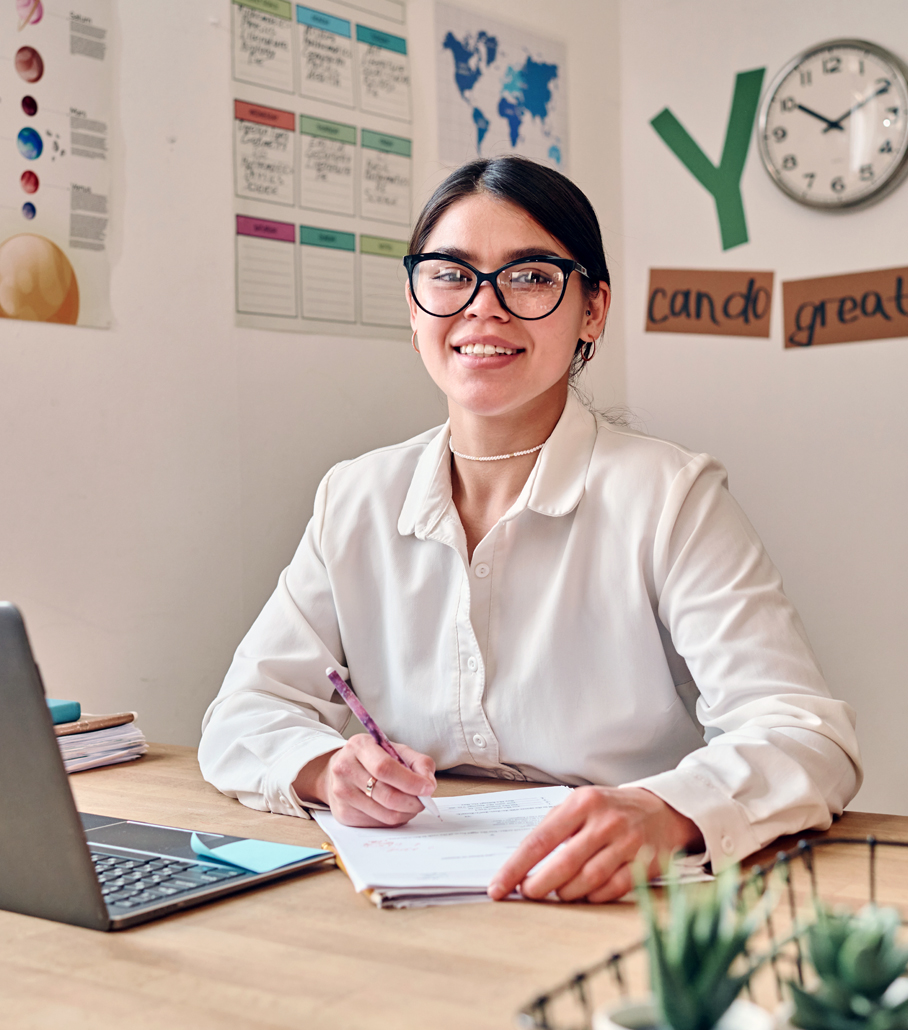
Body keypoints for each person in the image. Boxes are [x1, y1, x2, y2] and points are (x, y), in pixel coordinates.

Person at [199, 156, 861, 903]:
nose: (484, 307)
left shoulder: (670, 495)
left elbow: (804, 732)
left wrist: (667, 810)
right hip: (404, 900)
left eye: (531, 276)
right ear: (414, 305)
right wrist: (326, 767)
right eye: (450, 273)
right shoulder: (354, 496)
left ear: (593, 310)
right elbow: (245, 712)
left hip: (616, 900)